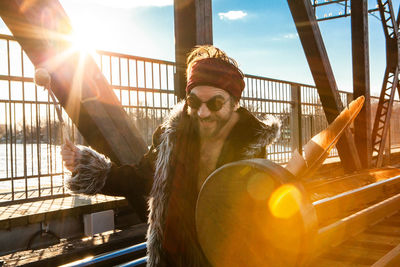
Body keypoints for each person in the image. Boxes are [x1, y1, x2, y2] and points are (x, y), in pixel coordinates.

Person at [61, 45, 280, 267]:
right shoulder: (171, 136)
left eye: (215, 103)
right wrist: (86, 165)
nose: (203, 113)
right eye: (194, 102)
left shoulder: (251, 145)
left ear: (234, 104)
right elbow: (139, 178)